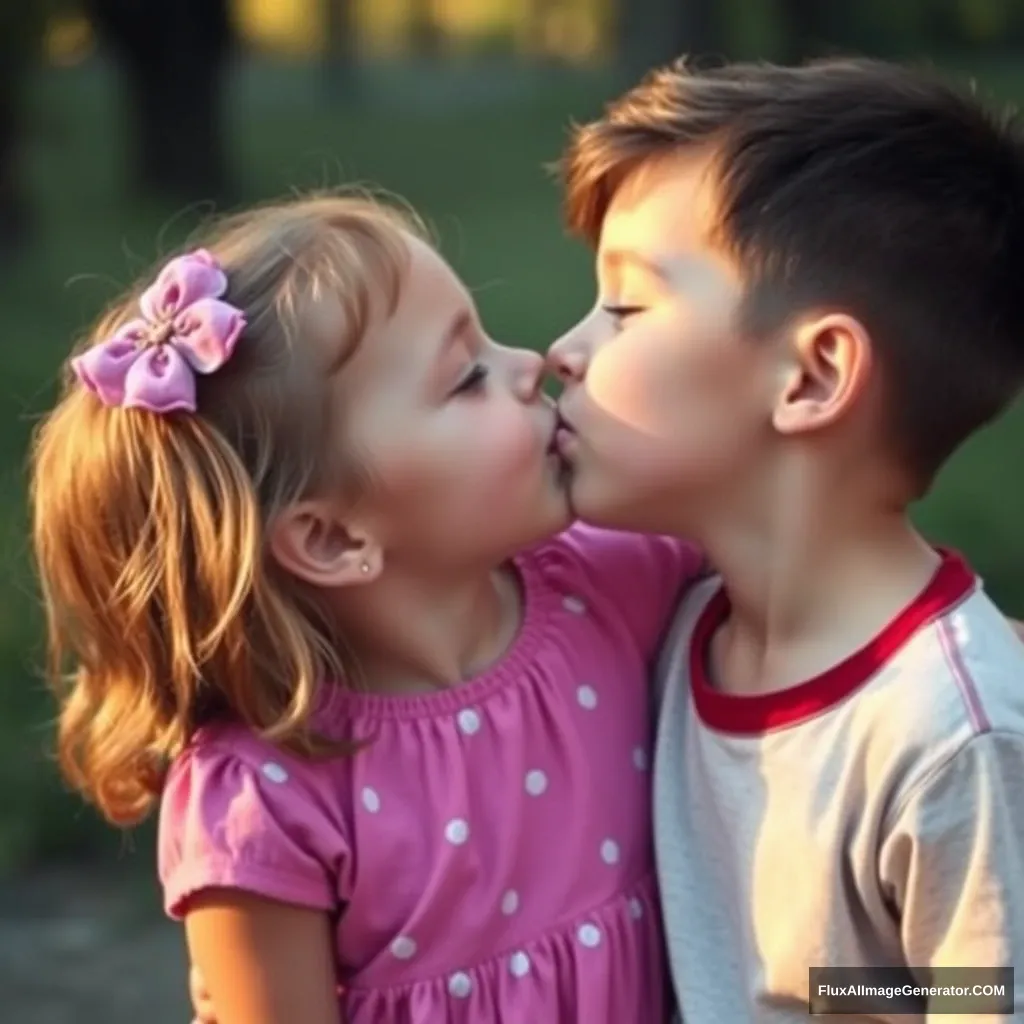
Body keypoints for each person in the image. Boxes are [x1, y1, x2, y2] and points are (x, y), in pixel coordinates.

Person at [29, 195, 704, 1024]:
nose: (533, 361)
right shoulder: (266, 803)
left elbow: (858, 984)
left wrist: (882, 992)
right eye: (466, 377)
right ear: (333, 538)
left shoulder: (617, 578)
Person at [550, 56, 1024, 1020]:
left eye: (627, 307)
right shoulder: (666, 619)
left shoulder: (951, 736)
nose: (565, 350)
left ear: (811, 378)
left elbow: (975, 996)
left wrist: (849, 999)